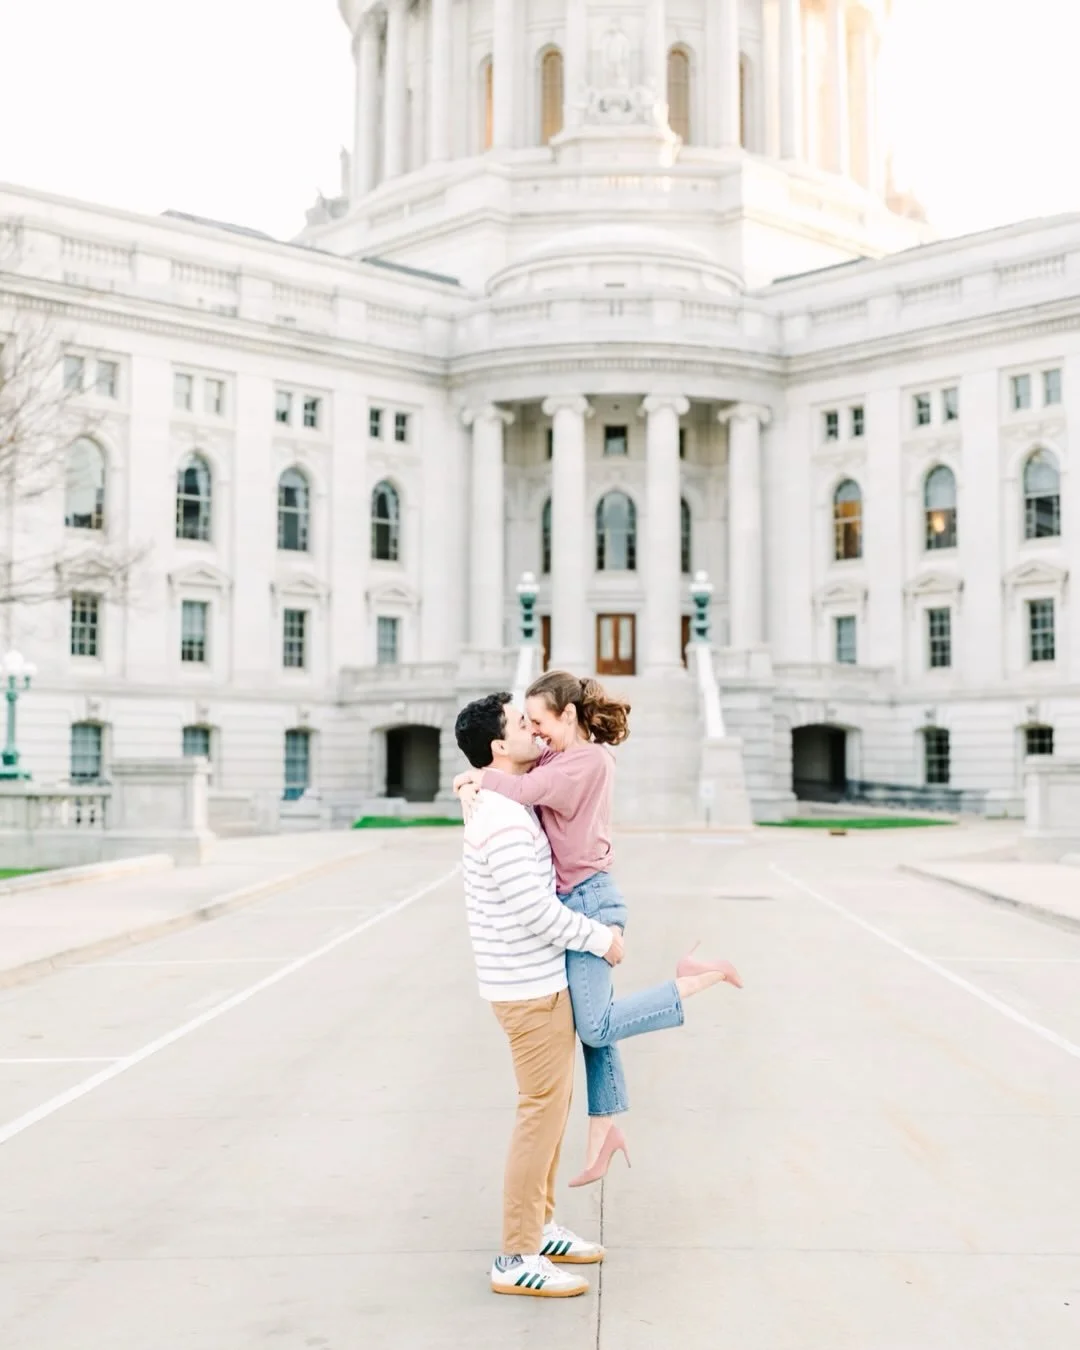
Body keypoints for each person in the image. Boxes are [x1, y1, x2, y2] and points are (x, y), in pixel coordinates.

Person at [456, 671, 742, 1185]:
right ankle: (604, 1130)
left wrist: (474, 776)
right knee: (592, 1026)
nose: (536, 733)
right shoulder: (560, 756)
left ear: (567, 715)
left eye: (539, 722)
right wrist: (472, 778)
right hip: (580, 896)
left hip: (589, 901)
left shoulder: (583, 762)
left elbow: (520, 786)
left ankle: (694, 979)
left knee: (596, 1025)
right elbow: (520, 771)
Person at [455, 691, 625, 1299]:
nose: (533, 730)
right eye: (521, 724)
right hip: (527, 988)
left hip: (535, 980)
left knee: (550, 1112)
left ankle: (541, 1226)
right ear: (500, 745)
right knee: (539, 1116)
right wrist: (600, 938)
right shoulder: (499, 817)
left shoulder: (505, 799)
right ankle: (516, 1254)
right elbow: (534, 910)